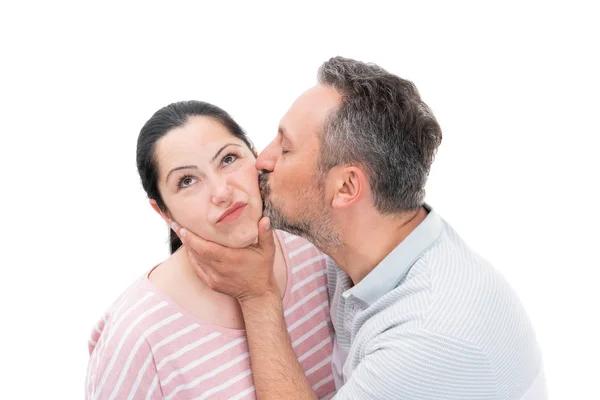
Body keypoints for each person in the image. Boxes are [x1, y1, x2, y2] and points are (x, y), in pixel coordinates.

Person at [172, 57, 548, 399]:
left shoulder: (428, 338)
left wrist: (257, 298)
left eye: (285, 149)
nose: (262, 159)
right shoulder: (366, 243)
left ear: (347, 188)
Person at [85, 101, 336, 400]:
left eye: (229, 159)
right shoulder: (137, 336)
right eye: (187, 181)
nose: (221, 192)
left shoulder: (319, 248)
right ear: (163, 211)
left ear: (256, 156)